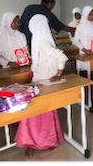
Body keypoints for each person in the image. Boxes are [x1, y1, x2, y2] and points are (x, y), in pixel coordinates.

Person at [14, 14, 66, 159]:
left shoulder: (43, 42)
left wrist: (59, 74)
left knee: (37, 114)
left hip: (44, 82)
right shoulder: (39, 40)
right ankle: (36, 143)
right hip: (38, 79)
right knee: (40, 114)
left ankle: (42, 142)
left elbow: (62, 57)